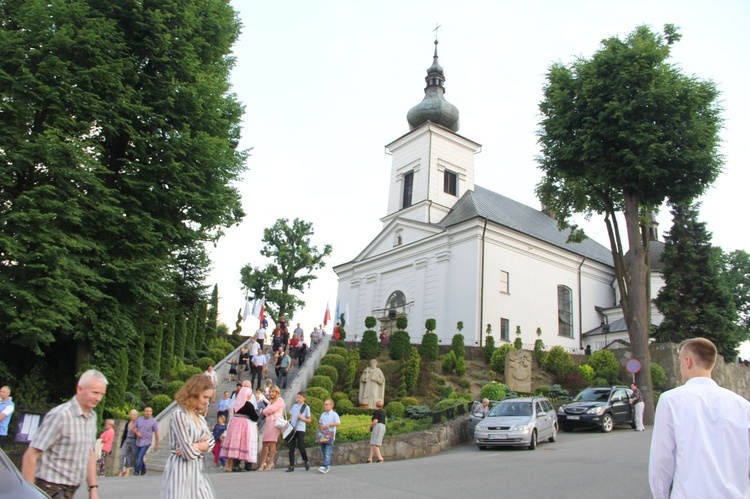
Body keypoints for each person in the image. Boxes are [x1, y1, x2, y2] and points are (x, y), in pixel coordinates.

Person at [649, 337, 750, 499]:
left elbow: (661, 460)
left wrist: (660, 495)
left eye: (681, 363)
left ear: (687, 361)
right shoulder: (742, 406)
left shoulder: (671, 401)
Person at [22, 369, 107, 499]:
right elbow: (31, 454)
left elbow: (90, 453)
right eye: (95, 392)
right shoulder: (60, 415)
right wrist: (28, 494)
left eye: (102, 394)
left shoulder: (92, 417)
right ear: (79, 389)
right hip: (49, 489)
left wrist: (93, 489)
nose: (99, 398)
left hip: (70, 490)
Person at [160, 374, 216, 499]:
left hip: (198, 471)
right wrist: (204, 445)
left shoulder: (200, 417)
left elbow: (212, 442)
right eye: (205, 397)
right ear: (194, 393)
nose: (207, 401)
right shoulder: (179, 415)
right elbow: (188, 453)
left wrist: (198, 445)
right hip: (180, 471)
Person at [220, 385, 259, 472]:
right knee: (243, 442)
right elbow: (254, 417)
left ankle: (235, 464)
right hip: (244, 424)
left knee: (236, 443)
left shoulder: (236, 403)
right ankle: (239, 465)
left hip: (235, 423)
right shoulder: (248, 404)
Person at [258, 385, 285, 471]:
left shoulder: (279, 400)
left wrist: (266, 411)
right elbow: (267, 411)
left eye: (273, 392)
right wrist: (266, 411)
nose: (271, 393)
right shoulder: (270, 401)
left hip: (275, 423)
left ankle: (270, 462)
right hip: (269, 423)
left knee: (272, 442)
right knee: (265, 442)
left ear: (277, 392)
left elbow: (269, 410)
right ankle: (263, 463)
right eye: (270, 392)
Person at [287, 391, 311, 472]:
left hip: (300, 428)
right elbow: (291, 417)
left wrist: (302, 419)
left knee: (301, 446)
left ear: (304, 398)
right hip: (293, 428)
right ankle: (291, 465)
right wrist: (287, 423)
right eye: (297, 397)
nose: (298, 399)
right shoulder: (294, 406)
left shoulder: (306, 407)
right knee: (291, 447)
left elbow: (309, 420)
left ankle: (306, 460)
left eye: (300, 397)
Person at [133, 406, 159, 476]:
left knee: (140, 456)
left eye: (150, 411)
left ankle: (137, 471)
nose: (148, 413)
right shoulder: (139, 419)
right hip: (138, 441)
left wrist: (156, 444)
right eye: (147, 411)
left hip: (146, 442)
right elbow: (134, 428)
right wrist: (137, 433)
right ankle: (143, 469)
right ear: (144, 412)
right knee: (138, 456)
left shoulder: (153, 421)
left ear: (151, 413)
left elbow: (156, 433)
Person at [317, 398, 340, 474]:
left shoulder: (334, 414)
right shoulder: (323, 414)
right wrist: (322, 426)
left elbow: (338, 423)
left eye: (327, 404)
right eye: (324, 404)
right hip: (323, 435)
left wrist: (329, 424)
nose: (325, 406)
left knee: (328, 451)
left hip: (330, 435)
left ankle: (325, 466)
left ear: (331, 405)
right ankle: (326, 465)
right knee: (323, 451)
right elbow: (319, 423)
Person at [119, 409, 139, 477]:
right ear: (130, 415)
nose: (135, 416)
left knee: (130, 456)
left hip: (134, 441)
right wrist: (122, 443)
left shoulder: (138, 423)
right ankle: (120, 471)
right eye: (133, 414)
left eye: (136, 414)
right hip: (127, 440)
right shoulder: (128, 423)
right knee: (122, 455)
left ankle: (128, 472)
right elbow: (124, 433)